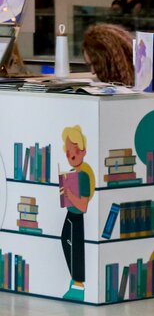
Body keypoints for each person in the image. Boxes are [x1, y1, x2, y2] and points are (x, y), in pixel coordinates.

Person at [59, 126, 93, 301]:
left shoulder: (84, 177)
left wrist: (70, 195)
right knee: (65, 241)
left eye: (76, 151)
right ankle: (76, 281)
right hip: (69, 213)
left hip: (77, 216)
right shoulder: (71, 174)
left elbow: (83, 206)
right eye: (68, 152)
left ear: (83, 152)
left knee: (76, 247)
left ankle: (78, 285)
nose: (72, 155)